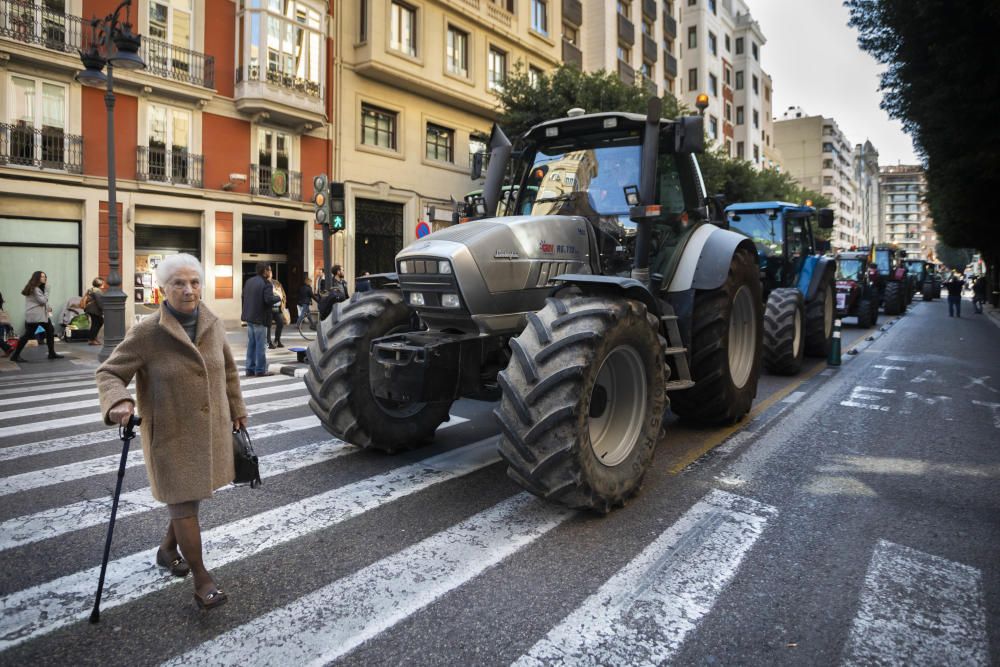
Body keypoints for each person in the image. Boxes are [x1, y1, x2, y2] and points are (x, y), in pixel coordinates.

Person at [96, 253, 246, 611]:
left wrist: (237, 410)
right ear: (163, 289)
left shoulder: (212, 322)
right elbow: (109, 373)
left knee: (187, 501)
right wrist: (119, 401)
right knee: (183, 504)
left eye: (194, 282)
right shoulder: (148, 332)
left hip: (209, 432)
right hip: (171, 435)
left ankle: (167, 550)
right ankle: (202, 579)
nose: (188, 290)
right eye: (178, 283)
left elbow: (227, 370)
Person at [9, 270, 63, 362]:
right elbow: (42, 301)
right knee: (28, 335)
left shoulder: (35, 288)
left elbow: (38, 302)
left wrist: (48, 307)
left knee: (49, 330)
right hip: (37, 316)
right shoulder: (35, 288)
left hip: (38, 315)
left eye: (45, 276)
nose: (44, 278)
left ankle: (51, 353)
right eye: (42, 276)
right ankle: (15, 355)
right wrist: (47, 290)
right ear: (37, 278)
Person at [242, 263, 280, 376]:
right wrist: (278, 297)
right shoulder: (266, 283)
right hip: (260, 318)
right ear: (265, 271)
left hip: (249, 317)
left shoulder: (249, 281)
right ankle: (260, 370)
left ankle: (249, 369)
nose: (270, 272)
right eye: (269, 270)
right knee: (260, 345)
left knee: (251, 344)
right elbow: (268, 300)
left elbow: (244, 296)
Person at [82, 277, 106, 345]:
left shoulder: (92, 289)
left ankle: (93, 337)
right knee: (96, 324)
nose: (104, 284)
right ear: (100, 283)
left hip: (92, 309)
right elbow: (100, 302)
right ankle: (91, 339)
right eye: (103, 282)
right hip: (94, 310)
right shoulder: (97, 291)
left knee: (99, 322)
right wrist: (104, 309)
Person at [266, 276, 288, 348]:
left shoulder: (277, 284)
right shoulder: (266, 285)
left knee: (280, 323)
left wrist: (283, 304)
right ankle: (269, 342)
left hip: (278, 308)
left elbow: (283, 295)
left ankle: (277, 340)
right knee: (268, 325)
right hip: (269, 309)